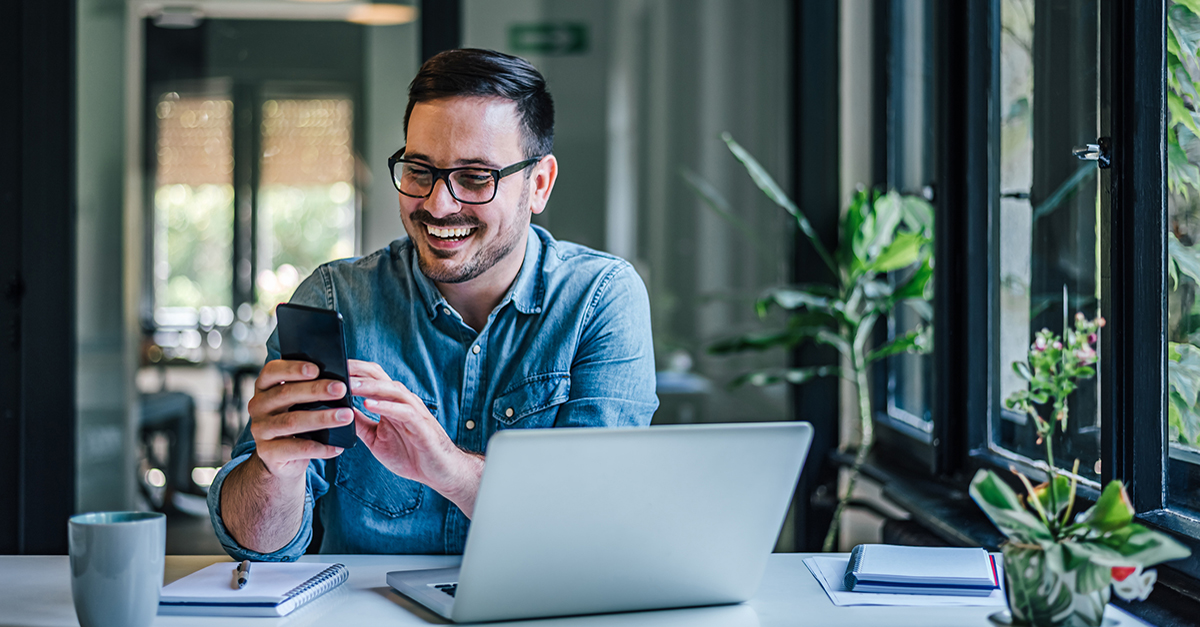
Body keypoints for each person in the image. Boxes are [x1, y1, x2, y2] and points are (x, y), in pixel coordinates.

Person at [207, 49, 658, 559]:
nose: (438, 205)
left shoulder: (599, 299)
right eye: (420, 170)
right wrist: (276, 470)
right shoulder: (336, 301)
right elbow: (256, 549)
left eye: (475, 177)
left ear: (539, 185)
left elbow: (594, 523)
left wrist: (444, 464)